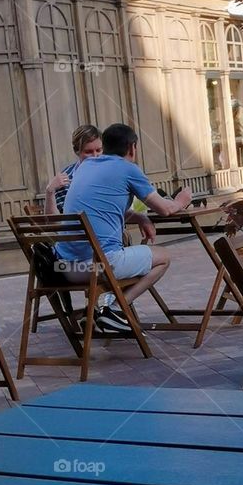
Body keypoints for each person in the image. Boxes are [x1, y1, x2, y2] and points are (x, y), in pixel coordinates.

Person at [54, 122, 193, 333]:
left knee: (130, 254)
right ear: (132, 148)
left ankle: (106, 312)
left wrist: (139, 217)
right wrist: (182, 201)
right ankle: (115, 309)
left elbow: (102, 207)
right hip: (96, 268)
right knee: (163, 256)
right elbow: (164, 209)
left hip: (64, 268)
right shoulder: (128, 169)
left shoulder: (85, 167)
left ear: (105, 146)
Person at [45, 123, 103, 215]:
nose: (95, 156)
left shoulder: (111, 173)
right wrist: (49, 191)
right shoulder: (65, 179)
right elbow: (55, 222)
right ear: (77, 151)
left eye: (99, 150)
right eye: (88, 152)